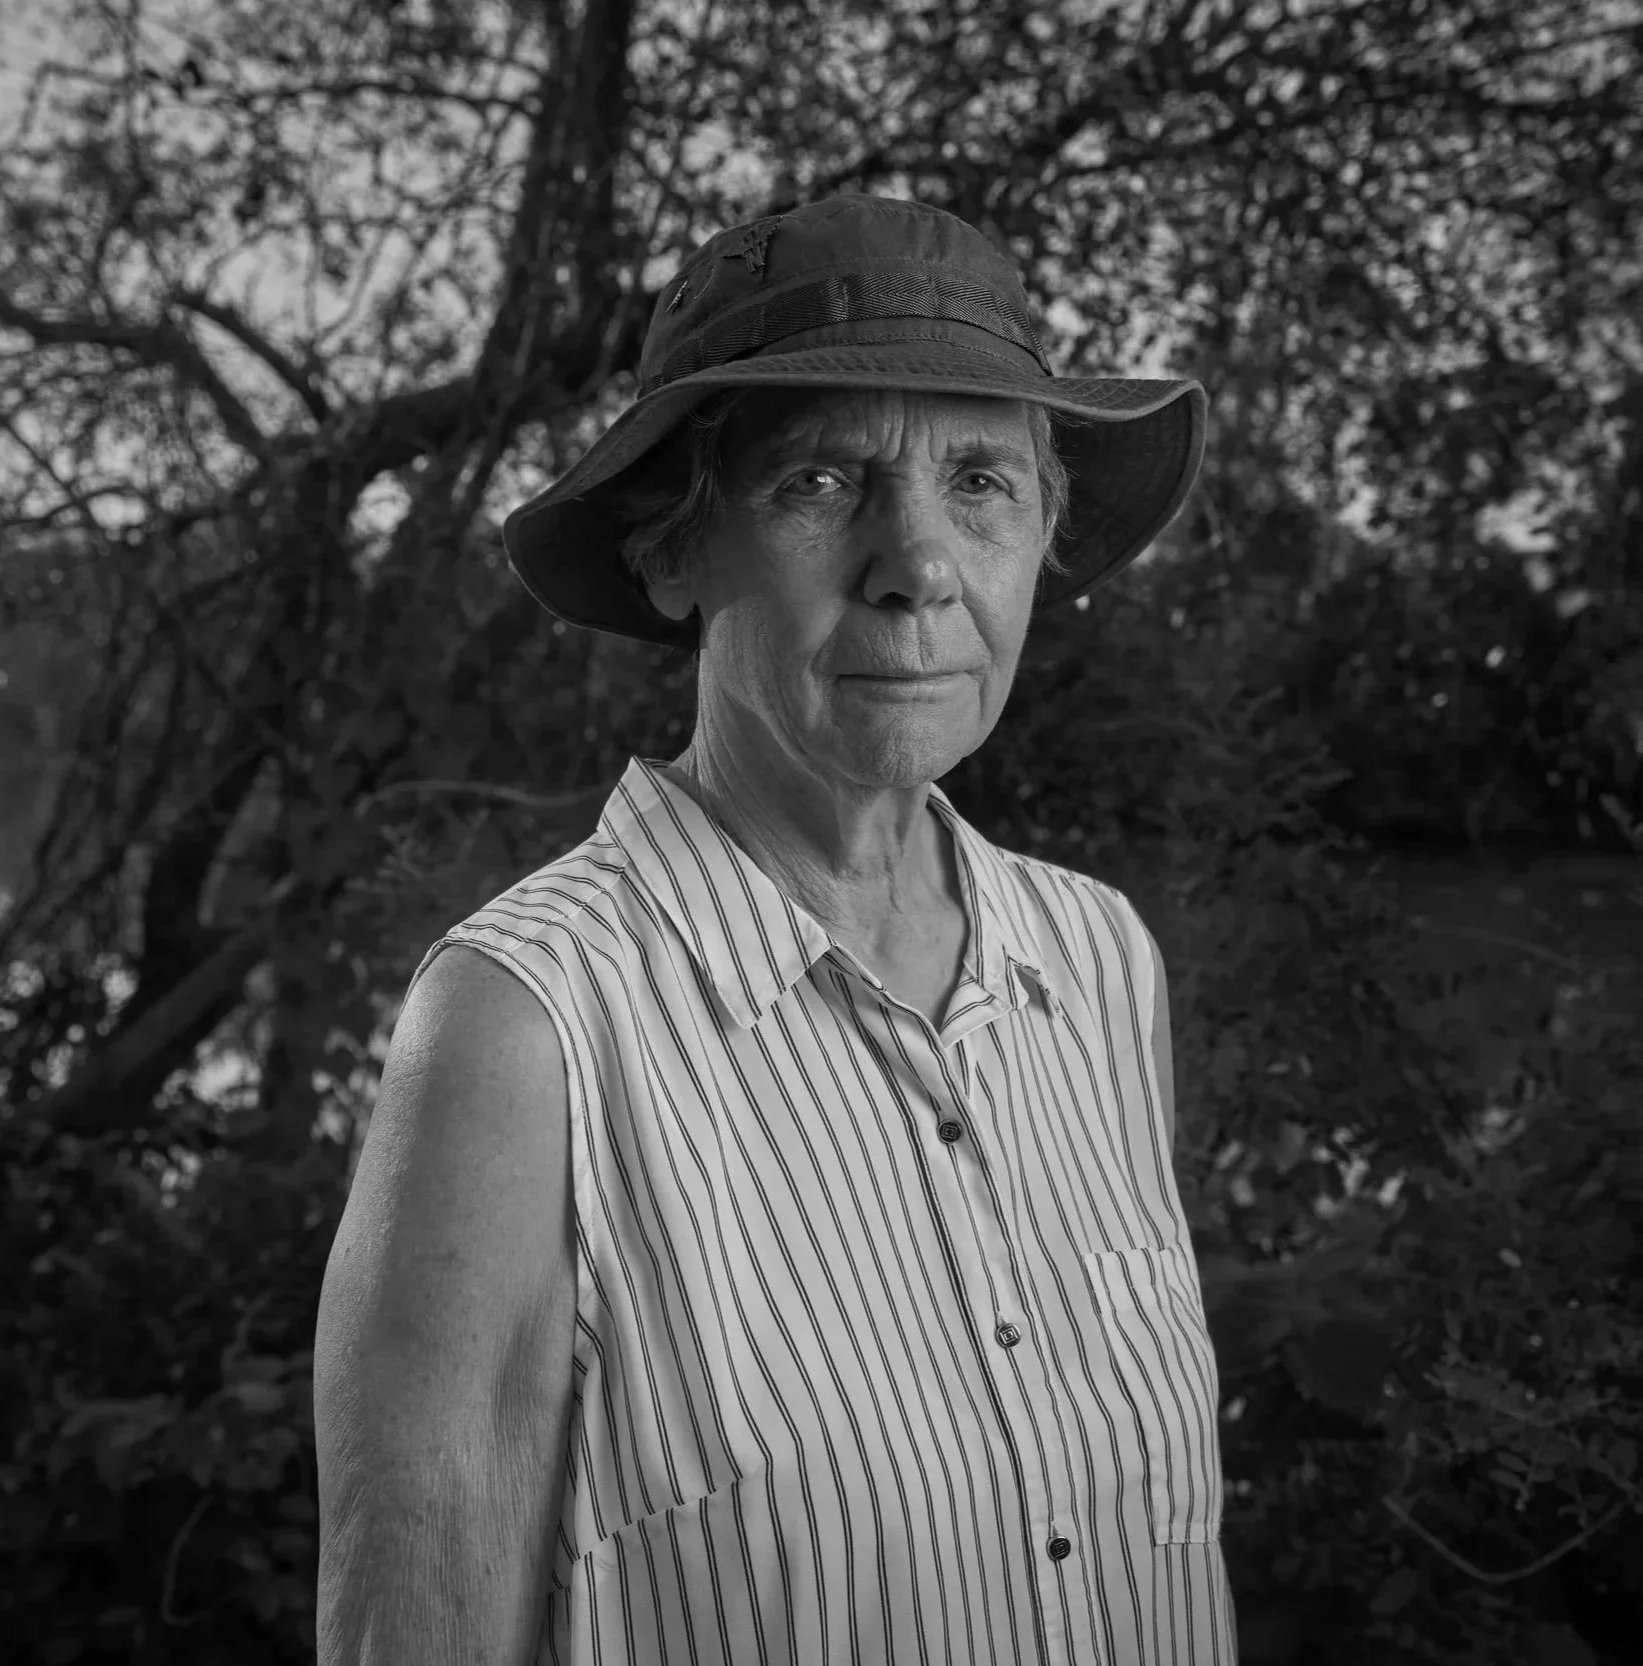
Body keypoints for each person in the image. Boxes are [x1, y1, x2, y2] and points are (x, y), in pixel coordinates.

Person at [314, 193, 1234, 1665]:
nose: (916, 563)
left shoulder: (1100, 960)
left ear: (1041, 537)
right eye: (822, 480)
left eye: (980, 482)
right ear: (674, 553)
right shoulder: (525, 1025)